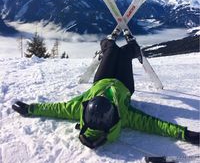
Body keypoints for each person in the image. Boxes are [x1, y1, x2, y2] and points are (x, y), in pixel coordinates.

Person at [12, 31, 199, 149]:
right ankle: (132, 49)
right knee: (126, 52)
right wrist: (184, 134)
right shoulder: (123, 115)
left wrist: (30, 109)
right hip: (125, 85)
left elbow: (56, 109)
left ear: (87, 111)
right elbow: (155, 125)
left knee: (110, 49)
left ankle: (107, 41)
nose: (103, 97)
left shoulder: (80, 109)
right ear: (112, 114)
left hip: (102, 79)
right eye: (107, 101)